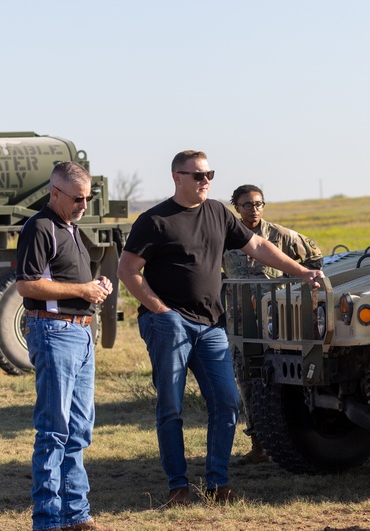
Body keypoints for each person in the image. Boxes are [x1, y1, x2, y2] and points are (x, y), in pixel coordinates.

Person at [118, 150, 324, 508]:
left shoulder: (217, 212)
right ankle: (178, 487)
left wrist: (301, 272)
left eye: (209, 174)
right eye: (197, 175)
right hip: (169, 326)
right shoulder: (154, 221)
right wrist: (162, 313)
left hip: (212, 325)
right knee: (171, 407)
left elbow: (257, 244)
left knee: (226, 403)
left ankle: (217, 483)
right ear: (176, 178)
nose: (205, 180)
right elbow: (127, 271)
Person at [16, 161, 113, 531]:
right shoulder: (40, 227)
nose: (83, 206)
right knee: (55, 428)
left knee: (78, 427)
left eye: (87, 198)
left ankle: (75, 513)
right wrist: (83, 292)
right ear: (54, 192)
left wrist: (94, 287)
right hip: (55, 333)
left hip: (79, 334)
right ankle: (46, 518)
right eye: (77, 198)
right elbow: (27, 284)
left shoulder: (69, 227)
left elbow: (72, 282)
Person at [223, 184, 323, 464]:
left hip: (277, 322)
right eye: (247, 205)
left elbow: (314, 256)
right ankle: (259, 444)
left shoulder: (279, 236)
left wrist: (296, 286)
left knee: (281, 378)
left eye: (258, 204)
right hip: (241, 323)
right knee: (246, 379)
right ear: (236, 208)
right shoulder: (225, 238)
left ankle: (295, 439)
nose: (253, 209)